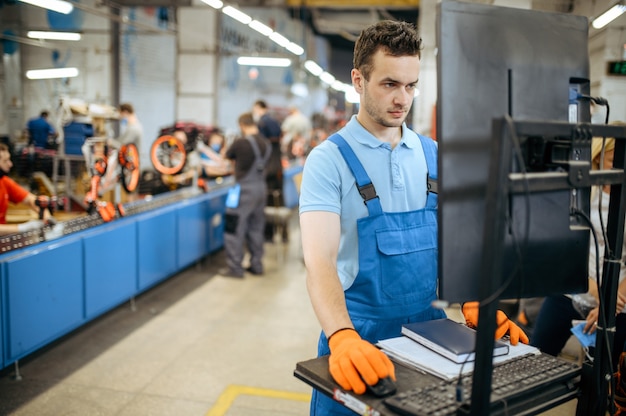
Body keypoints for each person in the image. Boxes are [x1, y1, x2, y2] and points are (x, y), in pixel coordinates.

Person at [298, 20, 527, 415]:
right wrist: (341, 336)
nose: (402, 98)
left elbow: (454, 241)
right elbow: (320, 262)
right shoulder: (328, 160)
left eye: (411, 85)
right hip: (359, 339)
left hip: (431, 336)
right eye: (389, 84)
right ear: (358, 80)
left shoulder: (434, 155)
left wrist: (474, 298)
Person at [532, 135, 626, 372]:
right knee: (536, 356)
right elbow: (566, 245)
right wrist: (595, 289)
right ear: (597, 157)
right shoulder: (580, 193)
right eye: (613, 159)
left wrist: (611, 302)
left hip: (617, 302)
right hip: (570, 291)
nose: (620, 166)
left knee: (599, 376)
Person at [221, 112, 271, 278]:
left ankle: (235, 268)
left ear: (242, 125)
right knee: (256, 228)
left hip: (243, 191)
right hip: (261, 189)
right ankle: (256, 265)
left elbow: (226, 156)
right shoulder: (265, 143)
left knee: (234, 226)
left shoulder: (240, 142)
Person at [0, 143, 53, 234]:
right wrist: (22, 228)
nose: (10, 164)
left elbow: (31, 199)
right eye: (6, 161)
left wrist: (47, 218)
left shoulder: (4, 182)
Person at [252, 99, 285, 241]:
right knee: (279, 200)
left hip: (268, 167)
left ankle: (268, 234)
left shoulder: (262, 123)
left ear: (259, 108)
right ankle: (284, 234)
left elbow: (260, 148)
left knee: (267, 200)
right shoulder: (275, 121)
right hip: (277, 166)